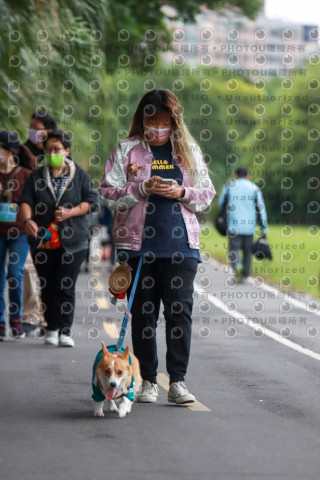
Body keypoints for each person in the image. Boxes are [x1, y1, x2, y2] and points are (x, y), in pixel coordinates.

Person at [99, 89, 215, 404]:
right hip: (137, 249)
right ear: (142, 118)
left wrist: (181, 192)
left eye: (164, 120)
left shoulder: (188, 150)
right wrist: (140, 188)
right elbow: (107, 193)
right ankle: (149, 380)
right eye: (152, 119)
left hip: (181, 248)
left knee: (179, 314)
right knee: (143, 315)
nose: (157, 126)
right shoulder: (126, 150)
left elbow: (206, 194)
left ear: (173, 121)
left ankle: (177, 381)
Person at [20, 130, 98, 347]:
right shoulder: (37, 176)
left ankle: (65, 330)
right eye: (49, 150)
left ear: (67, 151)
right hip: (43, 241)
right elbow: (25, 200)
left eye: (57, 149)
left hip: (74, 242)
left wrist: (70, 212)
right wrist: (28, 221)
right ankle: (51, 328)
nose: (53, 153)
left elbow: (92, 202)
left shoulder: (79, 175)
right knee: (48, 285)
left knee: (66, 285)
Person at [22, 112, 58, 336]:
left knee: (50, 272)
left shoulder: (58, 153)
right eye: (31, 127)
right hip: (27, 221)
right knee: (27, 268)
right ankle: (29, 315)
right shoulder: (21, 151)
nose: (33, 131)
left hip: (54, 224)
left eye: (38, 128)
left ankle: (49, 317)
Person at [0, 131, 31, 339]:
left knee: (14, 273)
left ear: (9, 151)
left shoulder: (26, 175)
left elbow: (34, 203)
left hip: (20, 232)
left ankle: (16, 318)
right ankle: (0, 322)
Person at [218, 167, 268, 283]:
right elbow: (261, 208)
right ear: (248, 175)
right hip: (250, 227)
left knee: (233, 249)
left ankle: (237, 266)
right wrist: (264, 227)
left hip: (233, 225)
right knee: (247, 250)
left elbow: (221, 203)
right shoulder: (254, 188)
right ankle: (245, 276)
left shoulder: (229, 186)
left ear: (236, 175)